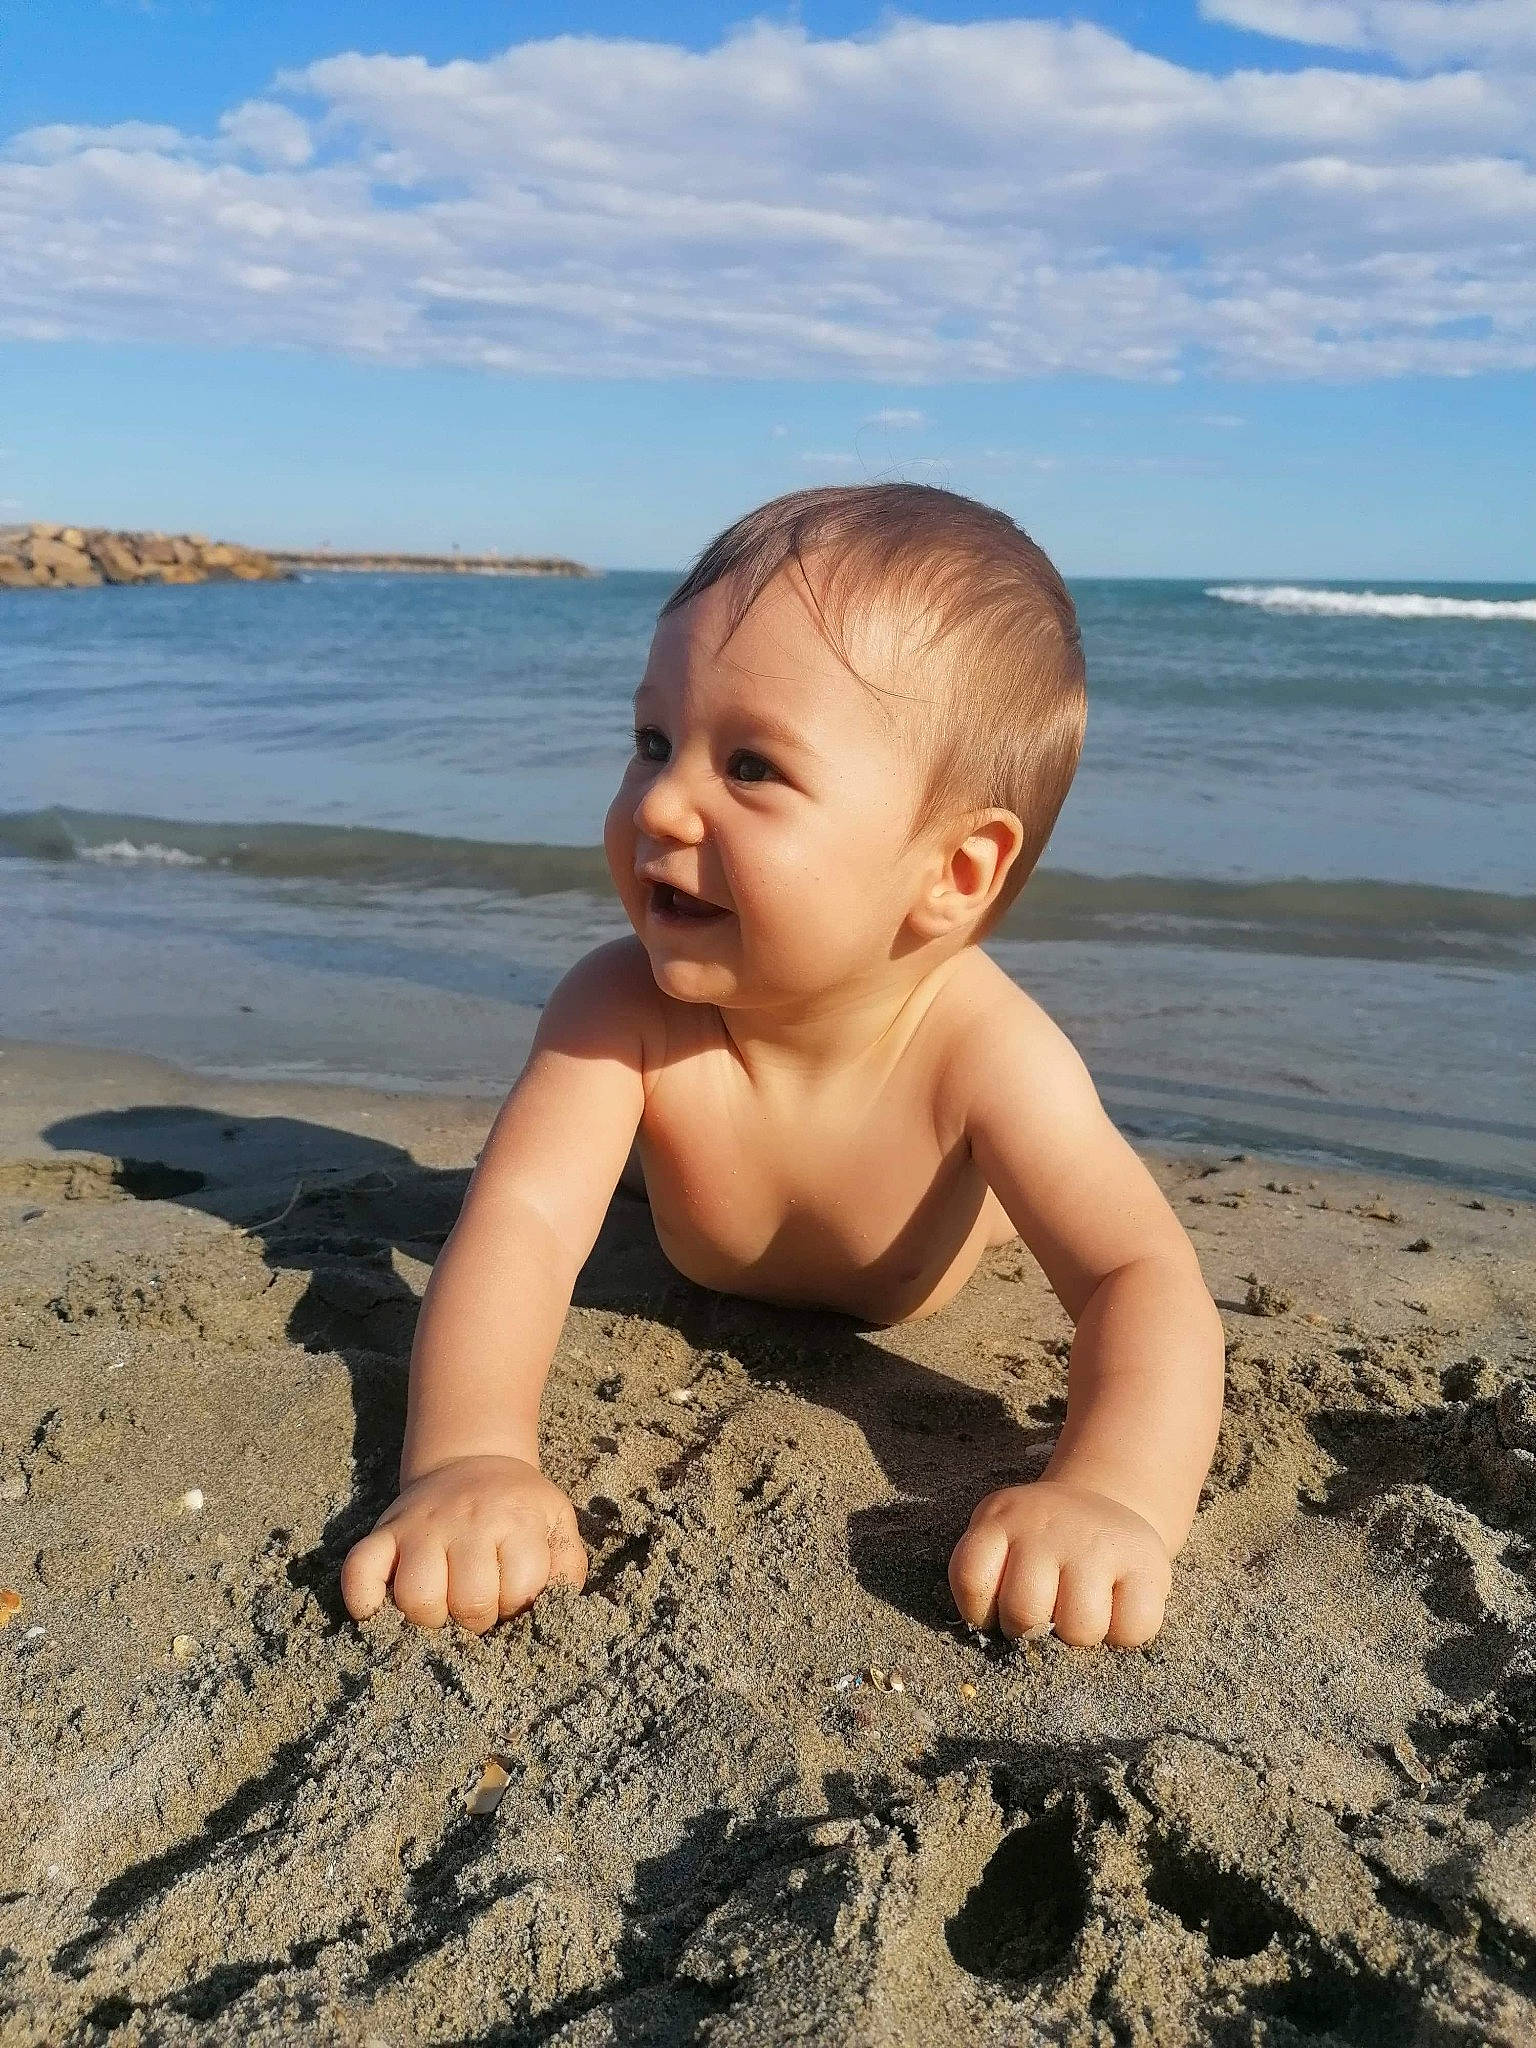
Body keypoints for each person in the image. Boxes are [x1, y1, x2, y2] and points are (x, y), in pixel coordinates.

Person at [340, 483, 1225, 1650]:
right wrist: (470, 1455)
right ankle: (653, 1164)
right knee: (581, 1162)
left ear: (956, 871)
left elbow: (1140, 1276)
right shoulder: (622, 1007)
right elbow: (521, 1225)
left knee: (1054, 1190)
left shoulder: (983, 1049)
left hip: (926, 1221)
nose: (660, 799)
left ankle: (992, 1197)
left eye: (749, 766)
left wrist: (1113, 1492)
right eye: (654, 740)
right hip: (705, 1187)